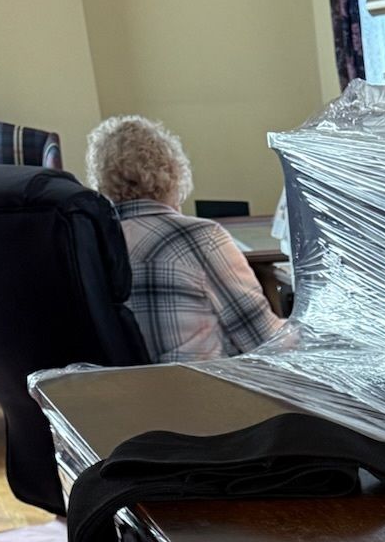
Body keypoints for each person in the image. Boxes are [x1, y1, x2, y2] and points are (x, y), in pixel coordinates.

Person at [85, 114, 291, 365]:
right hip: (200, 386)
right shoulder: (199, 238)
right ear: (172, 170)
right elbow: (264, 340)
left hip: (121, 388)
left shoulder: (90, 245)